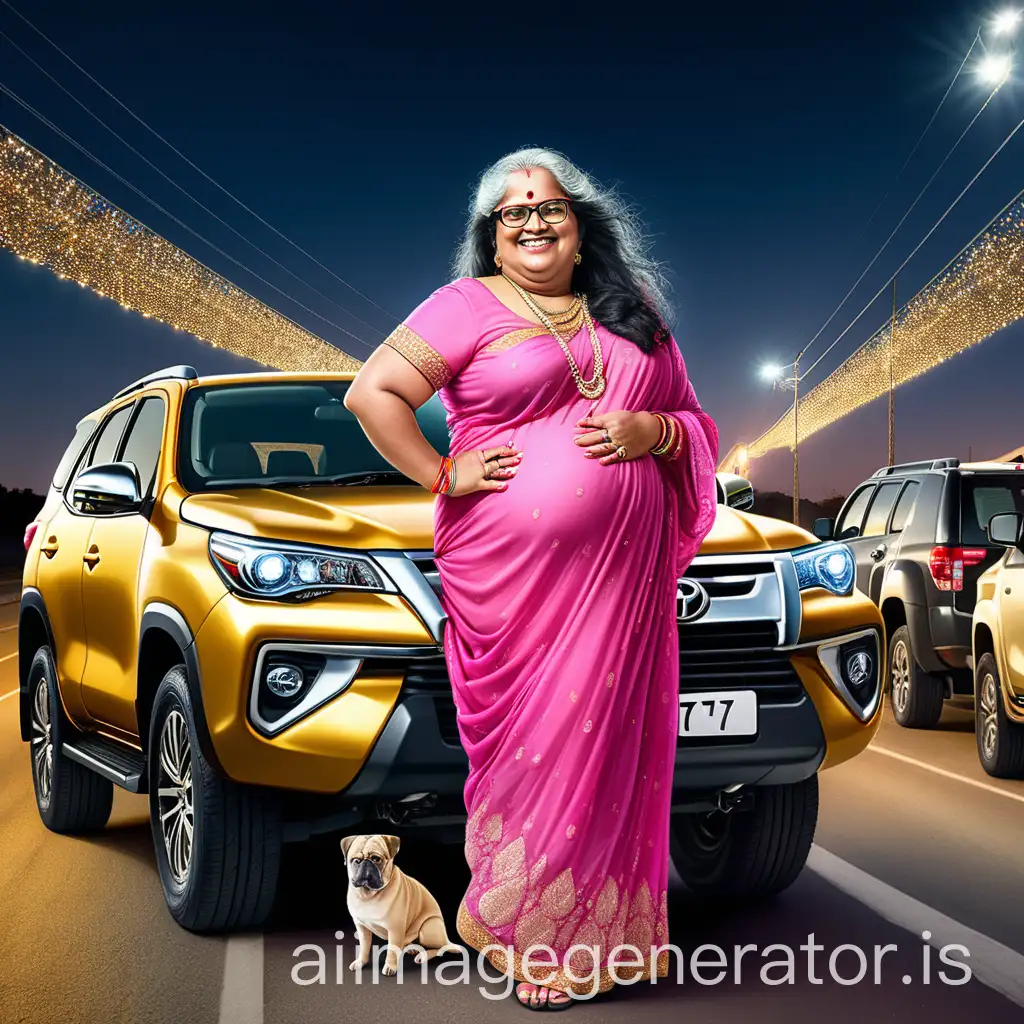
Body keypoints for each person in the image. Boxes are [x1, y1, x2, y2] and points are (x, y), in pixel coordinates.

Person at [344, 146, 719, 1010]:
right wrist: (443, 473)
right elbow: (375, 394)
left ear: (581, 228)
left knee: (616, 748)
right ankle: (537, 940)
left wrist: (651, 434)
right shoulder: (464, 306)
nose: (533, 221)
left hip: (622, 585)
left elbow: (694, 421)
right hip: (512, 582)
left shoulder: (636, 315)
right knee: (544, 745)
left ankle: (618, 938)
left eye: (549, 207)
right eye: (513, 213)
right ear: (492, 237)